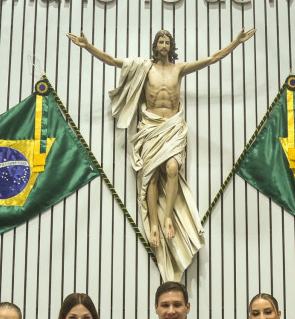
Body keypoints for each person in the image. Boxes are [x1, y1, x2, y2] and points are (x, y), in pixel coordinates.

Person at [66, 28, 255, 281]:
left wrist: (236, 42)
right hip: (151, 127)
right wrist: (87, 46)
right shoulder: (144, 68)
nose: (164, 44)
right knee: (151, 177)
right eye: (160, 41)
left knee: (173, 169)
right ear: (155, 45)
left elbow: (211, 59)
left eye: (167, 41)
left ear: (171, 45)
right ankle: (154, 223)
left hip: (173, 126)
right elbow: (112, 60)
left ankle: (168, 219)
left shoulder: (179, 69)